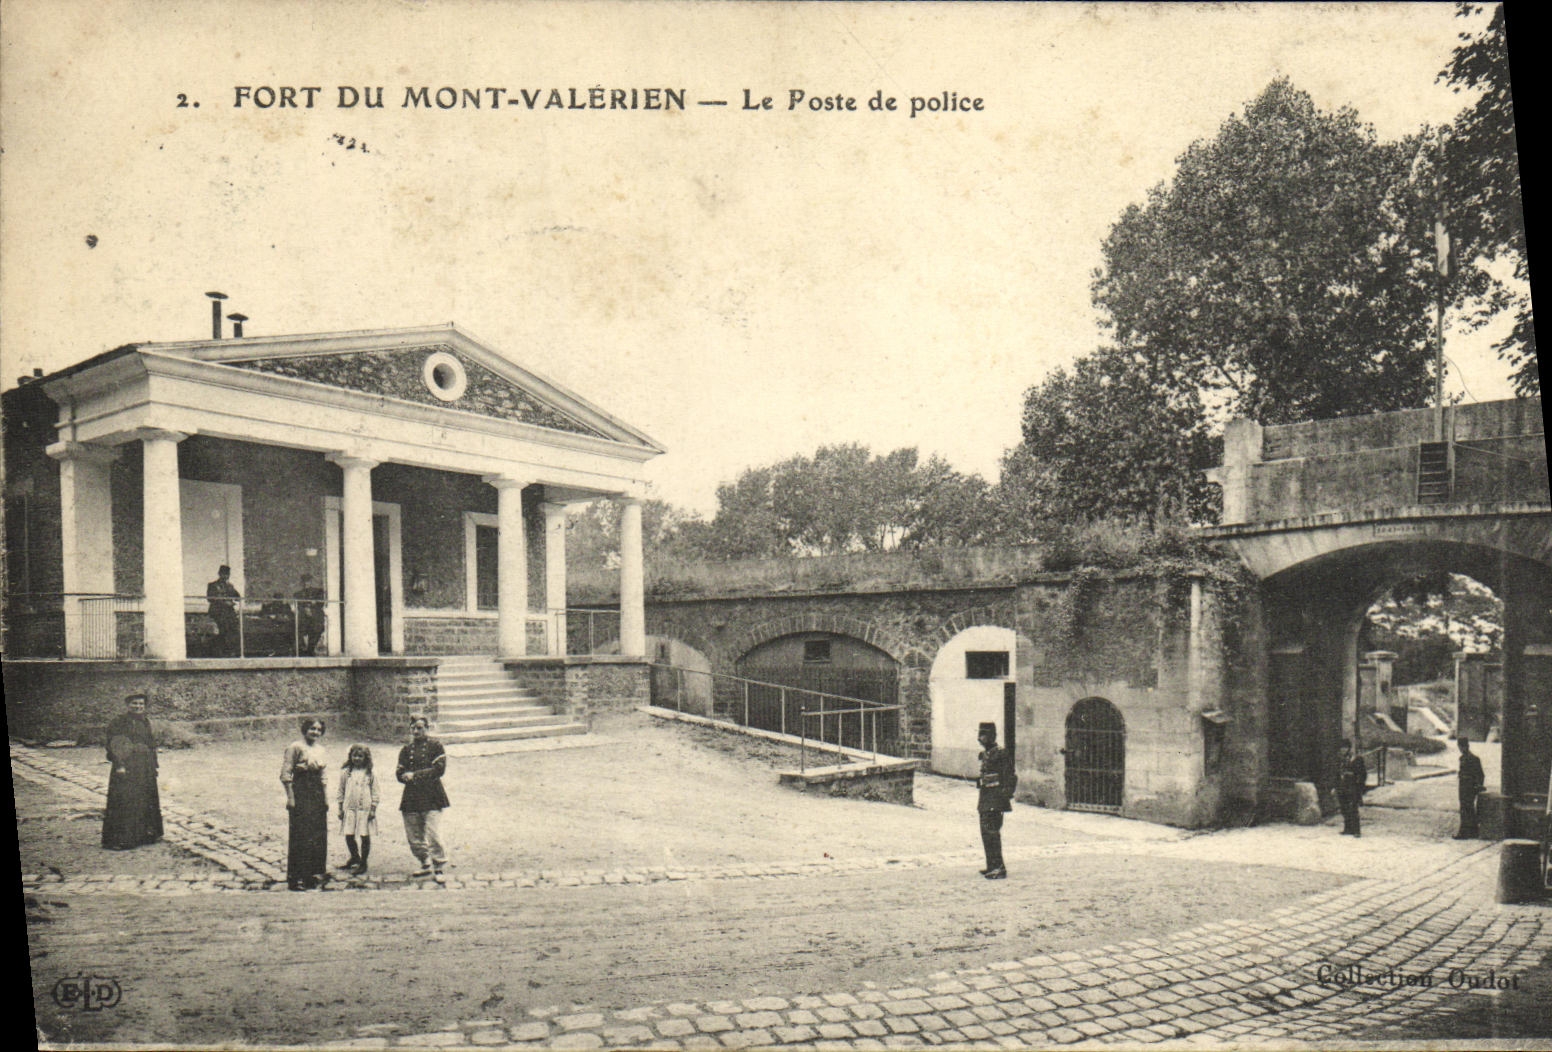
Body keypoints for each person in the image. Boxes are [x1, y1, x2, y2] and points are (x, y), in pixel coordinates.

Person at [102, 694, 163, 850]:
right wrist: (120, 765)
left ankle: (145, 835)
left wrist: (154, 765)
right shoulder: (119, 722)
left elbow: (151, 744)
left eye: (141, 704)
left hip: (144, 766)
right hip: (127, 766)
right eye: (134, 704)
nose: (138, 707)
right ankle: (121, 839)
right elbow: (115, 744)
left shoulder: (145, 721)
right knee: (125, 800)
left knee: (144, 799)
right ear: (128, 705)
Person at [397, 715, 450, 883]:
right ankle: (424, 863)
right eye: (413, 728)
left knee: (434, 834)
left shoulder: (436, 746)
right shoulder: (406, 749)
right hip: (411, 797)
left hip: (432, 795)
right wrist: (403, 776)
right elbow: (399, 771)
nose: (416, 731)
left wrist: (415, 775)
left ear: (427, 728)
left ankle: (439, 866)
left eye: (420, 728)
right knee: (414, 835)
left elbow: (438, 770)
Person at [281, 717, 329, 890]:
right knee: (300, 834)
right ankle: (296, 877)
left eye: (318, 730)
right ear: (305, 730)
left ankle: (312, 875)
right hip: (301, 791)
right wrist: (291, 798)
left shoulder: (321, 750)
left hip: (316, 792)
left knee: (316, 834)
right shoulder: (295, 747)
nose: (315, 732)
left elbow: (323, 776)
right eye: (312, 729)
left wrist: (325, 798)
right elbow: (286, 775)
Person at [976, 721, 1016, 880]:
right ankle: (991, 865)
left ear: (992, 736)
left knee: (992, 832)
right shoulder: (986, 754)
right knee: (986, 833)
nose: (981, 738)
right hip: (986, 799)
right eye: (980, 735)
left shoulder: (1001, 753)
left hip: (995, 799)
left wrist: (1004, 795)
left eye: (984, 735)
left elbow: (1010, 776)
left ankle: (999, 868)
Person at [337, 744, 379, 874]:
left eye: (360, 756)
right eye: (354, 755)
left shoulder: (370, 773)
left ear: (366, 758)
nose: (357, 758)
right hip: (349, 809)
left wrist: (373, 809)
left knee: (364, 836)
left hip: (364, 810)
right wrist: (340, 808)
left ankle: (363, 862)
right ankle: (355, 857)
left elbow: (375, 792)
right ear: (350, 756)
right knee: (349, 835)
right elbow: (341, 791)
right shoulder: (346, 773)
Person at [206, 564, 241, 656]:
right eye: (224, 574)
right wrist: (224, 602)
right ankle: (219, 651)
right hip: (218, 612)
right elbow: (210, 598)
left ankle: (230, 651)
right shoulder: (213, 585)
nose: (225, 576)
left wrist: (233, 595)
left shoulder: (229, 586)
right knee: (222, 631)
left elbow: (237, 597)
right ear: (219, 574)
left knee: (233, 630)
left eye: (227, 574)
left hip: (229, 613)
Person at [1455, 737, 1485, 840]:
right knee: (1468, 808)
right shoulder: (1464, 758)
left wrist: (1478, 786)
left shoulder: (1473, 759)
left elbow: (1480, 774)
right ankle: (1473, 832)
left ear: (1465, 746)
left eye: (1461, 746)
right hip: (1463, 786)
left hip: (1468, 787)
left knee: (1466, 809)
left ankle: (1463, 833)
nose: (1461, 748)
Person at [1336, 739, 1365, 837]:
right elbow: (1337, 774)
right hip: (1342, 786)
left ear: (1349, 748)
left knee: (1353, 808)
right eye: (1341, 748)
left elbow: (1362, 774)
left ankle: (1356, 830)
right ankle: (1347, 828)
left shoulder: (1357, 759)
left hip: (1353, 786)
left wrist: (1359, 785)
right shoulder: (1340, 759)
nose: (1343, 750)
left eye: (1345, 748)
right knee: (1344, 808)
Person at [294, 573, 327, 656]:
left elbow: (320, 604)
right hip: (304, 617)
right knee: (300, 631)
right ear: (301, 583)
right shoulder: (298, 594)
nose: (306, 583)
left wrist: (311, 607)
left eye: (308, 581)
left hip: (316, 617)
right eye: (304, 582)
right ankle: (304, 649)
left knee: (317, 630)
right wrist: (306, 609)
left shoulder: (318, 592)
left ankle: (310, 649)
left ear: (311, 582)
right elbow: (299, 606)